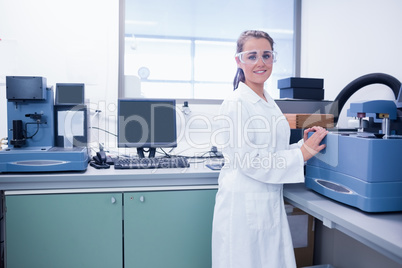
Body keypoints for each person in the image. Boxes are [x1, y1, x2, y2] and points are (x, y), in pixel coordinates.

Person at [211, 30, 328, 268]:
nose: (261, 62)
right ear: (239, 61)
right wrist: (301, 155)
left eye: (267, 55)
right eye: (252, 56)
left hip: (265, 203)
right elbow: (251, 161)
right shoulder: (236, 104)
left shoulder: (268, 101)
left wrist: (301, 146)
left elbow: (272, 150)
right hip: (244, 208)